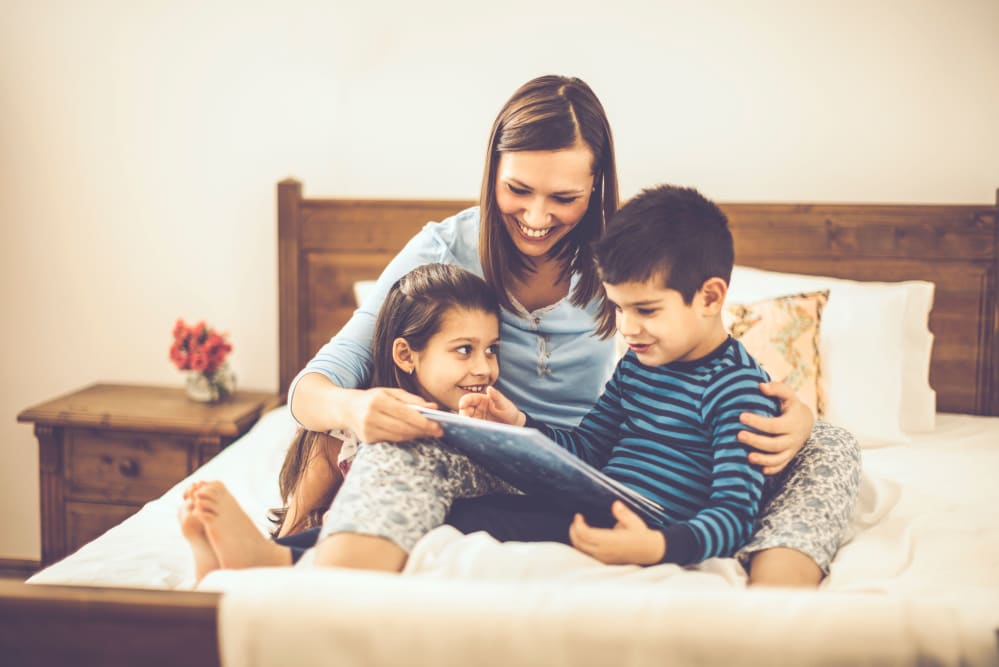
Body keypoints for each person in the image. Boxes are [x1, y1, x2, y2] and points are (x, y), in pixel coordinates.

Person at [192, 74, 859, 585]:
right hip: (505, 450)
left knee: (831, 444)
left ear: (597, 189)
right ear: (492, 172)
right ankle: (297, 570)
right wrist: (356, 407)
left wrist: (792, 413)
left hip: (605, 474)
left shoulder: (629, 260)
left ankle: (775, 610)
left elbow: (706, 367)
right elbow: (314, 387)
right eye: (518, 190)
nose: (536, 217)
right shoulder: (444, 248)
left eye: (563, 198)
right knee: (417, 443)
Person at [451, 184, 784, 566]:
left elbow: (735, 516)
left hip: (652, 533)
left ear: (709, 298)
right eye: (619, 309)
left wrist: (656, 546)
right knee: (467, 511)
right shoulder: (636, 366)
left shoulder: (737, 389)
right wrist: (519, 423)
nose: (627, 328)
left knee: (475, 522)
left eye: (646, 310)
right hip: (595, 509)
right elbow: (588, 449)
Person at [179, 263, 517, 581]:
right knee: (322, 524)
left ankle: (252, 566)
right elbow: (301, 517)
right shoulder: (343, 436)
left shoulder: (488, 419)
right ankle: (251, 562)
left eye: (491, 350)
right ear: (405, 355)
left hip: (439, 526)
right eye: (463, 350)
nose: (485, 368)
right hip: (361, 531)